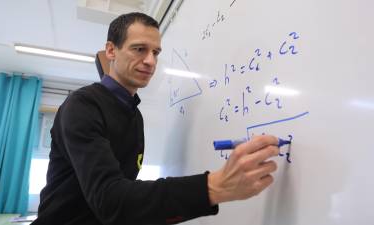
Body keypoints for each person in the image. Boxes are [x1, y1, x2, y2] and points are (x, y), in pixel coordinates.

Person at [31, 12, 279, 225]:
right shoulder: (82, 105)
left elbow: (124, 195)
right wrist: (213, 186)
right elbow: (109, 199)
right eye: (139, 49)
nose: (150, 61)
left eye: (156, 52)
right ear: (111, 51)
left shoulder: (133, 115)